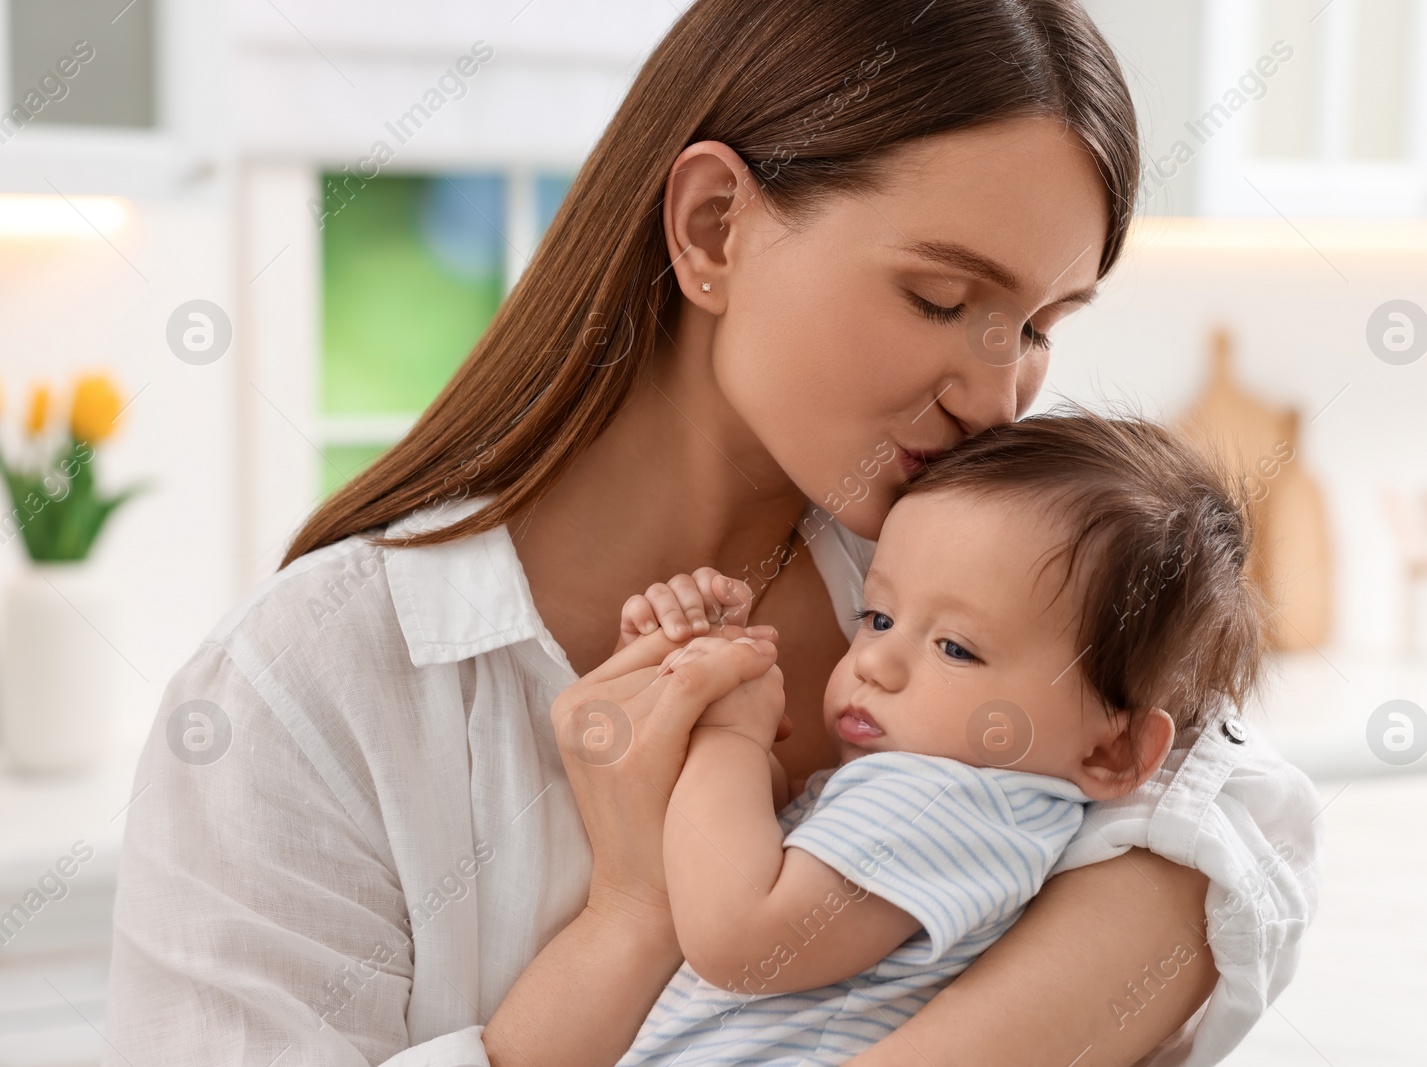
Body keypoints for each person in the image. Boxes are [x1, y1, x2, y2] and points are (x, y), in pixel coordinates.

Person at [105, 1, 1322, 1064]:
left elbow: (1226, 833)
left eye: (1042, 323)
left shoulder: (978, 580)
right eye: (941, 300)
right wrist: (633, 912)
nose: (998, 395)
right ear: (710, 228)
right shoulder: (306, 690)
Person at [616, 411, 1269, 1065]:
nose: (876, 662)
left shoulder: (945, 800)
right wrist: (682, 682)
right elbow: (762, 847)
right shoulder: (953, 800)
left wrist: (726, 730)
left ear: (1111, 750)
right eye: (878, 616)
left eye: (954, 647)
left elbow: (742, 939)